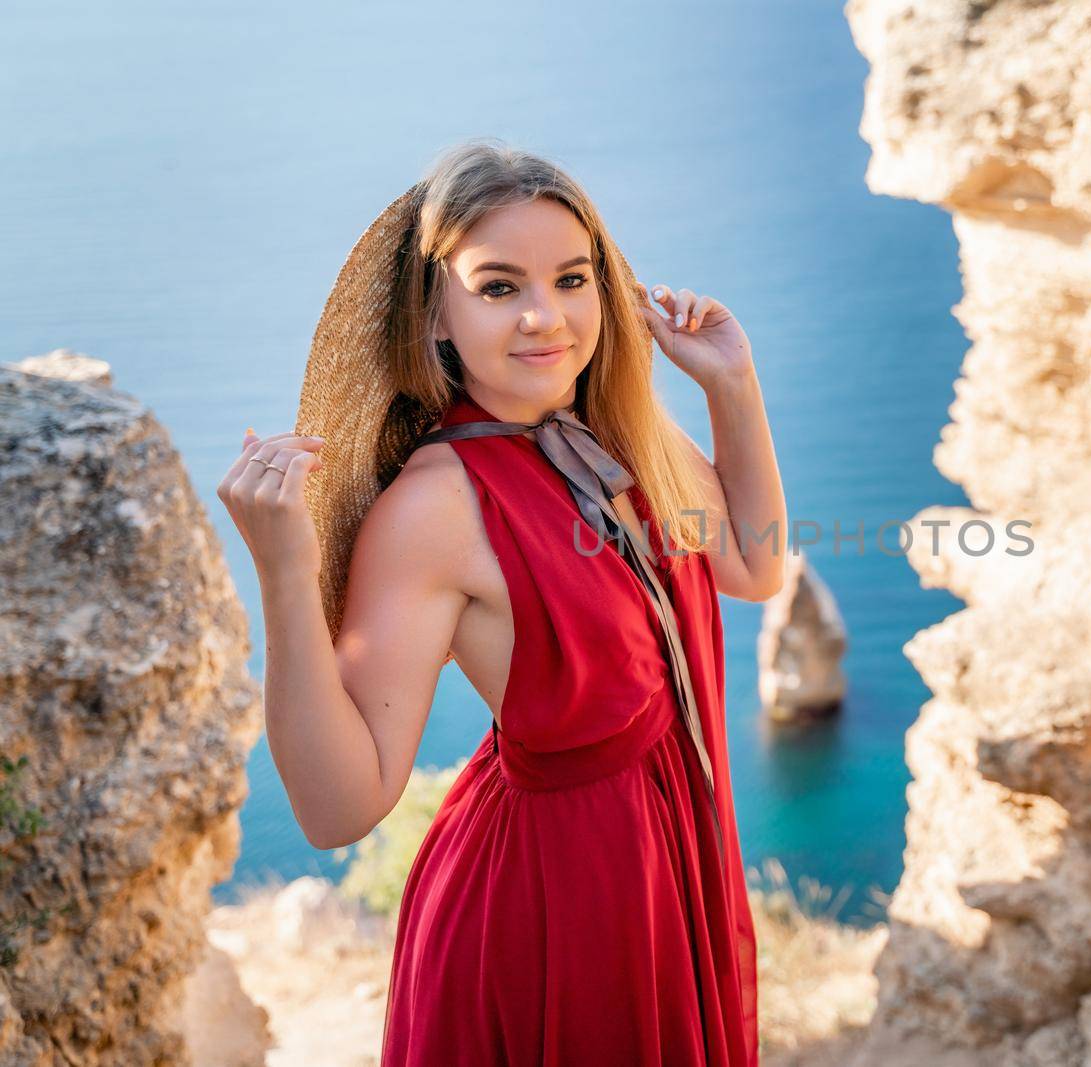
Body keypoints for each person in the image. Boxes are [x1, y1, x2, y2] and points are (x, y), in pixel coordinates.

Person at [216, 137, 785, 1065]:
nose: (544, 318)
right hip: (553, 904)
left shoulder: (618, 428)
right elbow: (336, 808)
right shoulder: (434, 508)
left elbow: (752, 568)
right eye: (498, 287)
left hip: (665, 859)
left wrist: (732, 382)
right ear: (435, 314)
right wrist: (284, 573)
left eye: (571, 278)